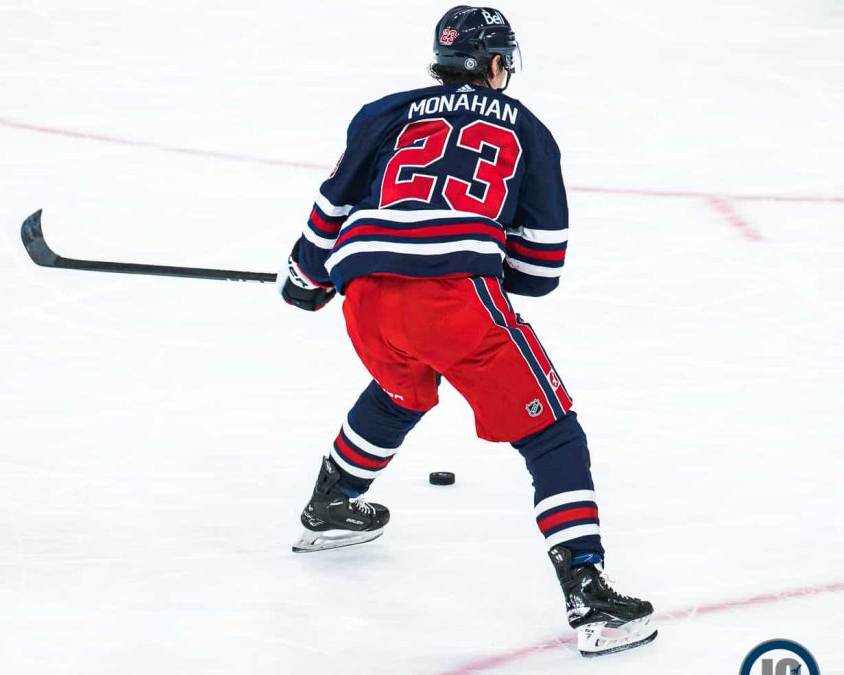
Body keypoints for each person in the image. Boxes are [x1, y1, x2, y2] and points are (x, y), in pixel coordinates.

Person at [279, 6, 656, 657]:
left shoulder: (385, 111)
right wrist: (479, 253)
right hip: (455, 298)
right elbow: (540, 269)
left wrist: (303, 276)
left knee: (400, 386)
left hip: (366, 291)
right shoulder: (528, 129)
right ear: (498, 63)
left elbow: (332, 204)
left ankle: (333, 501)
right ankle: (590, 594)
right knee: (551, 430)